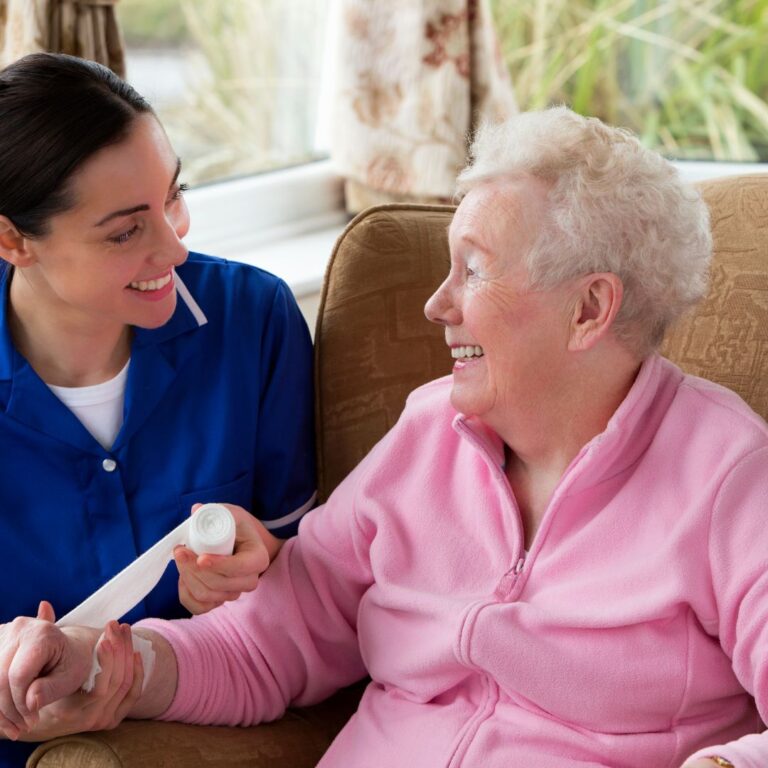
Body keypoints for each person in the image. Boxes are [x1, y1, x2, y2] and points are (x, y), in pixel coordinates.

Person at [3, 107, 767, 768]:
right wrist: (106, 666)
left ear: (589, 310)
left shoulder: (727, 474)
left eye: (472, 271)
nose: (438, 305)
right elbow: (264, 646)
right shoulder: (428, 434)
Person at [0, 53, 316, 765]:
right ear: (13, 239)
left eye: (175, 195)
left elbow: (322, 580)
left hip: (210, 734)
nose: (175, 246)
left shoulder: (252, 319)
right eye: (124, 232)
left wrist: (262, 558)